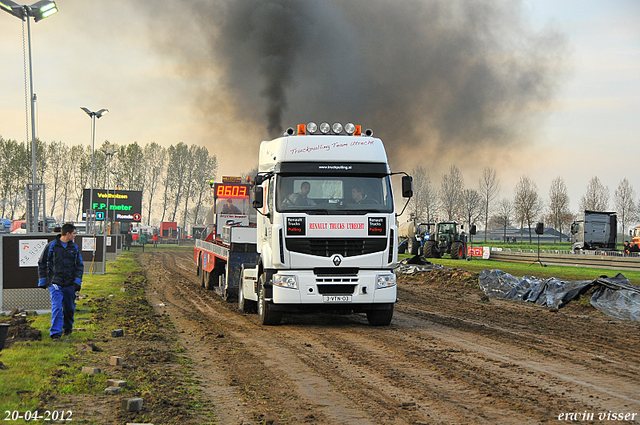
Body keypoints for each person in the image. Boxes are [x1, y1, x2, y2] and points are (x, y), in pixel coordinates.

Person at [37, 223, 83, 341]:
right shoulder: (51, 246)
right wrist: (42, 280)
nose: (75, 236)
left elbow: (79, 266)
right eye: (74, 233)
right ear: (67, 234)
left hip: (69, 284)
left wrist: (77, 281)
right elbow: (42, 263)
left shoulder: (74, 248)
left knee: (69, 308)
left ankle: (67, 328)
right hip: (55, 283)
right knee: (57, 306)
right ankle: (56, 333)